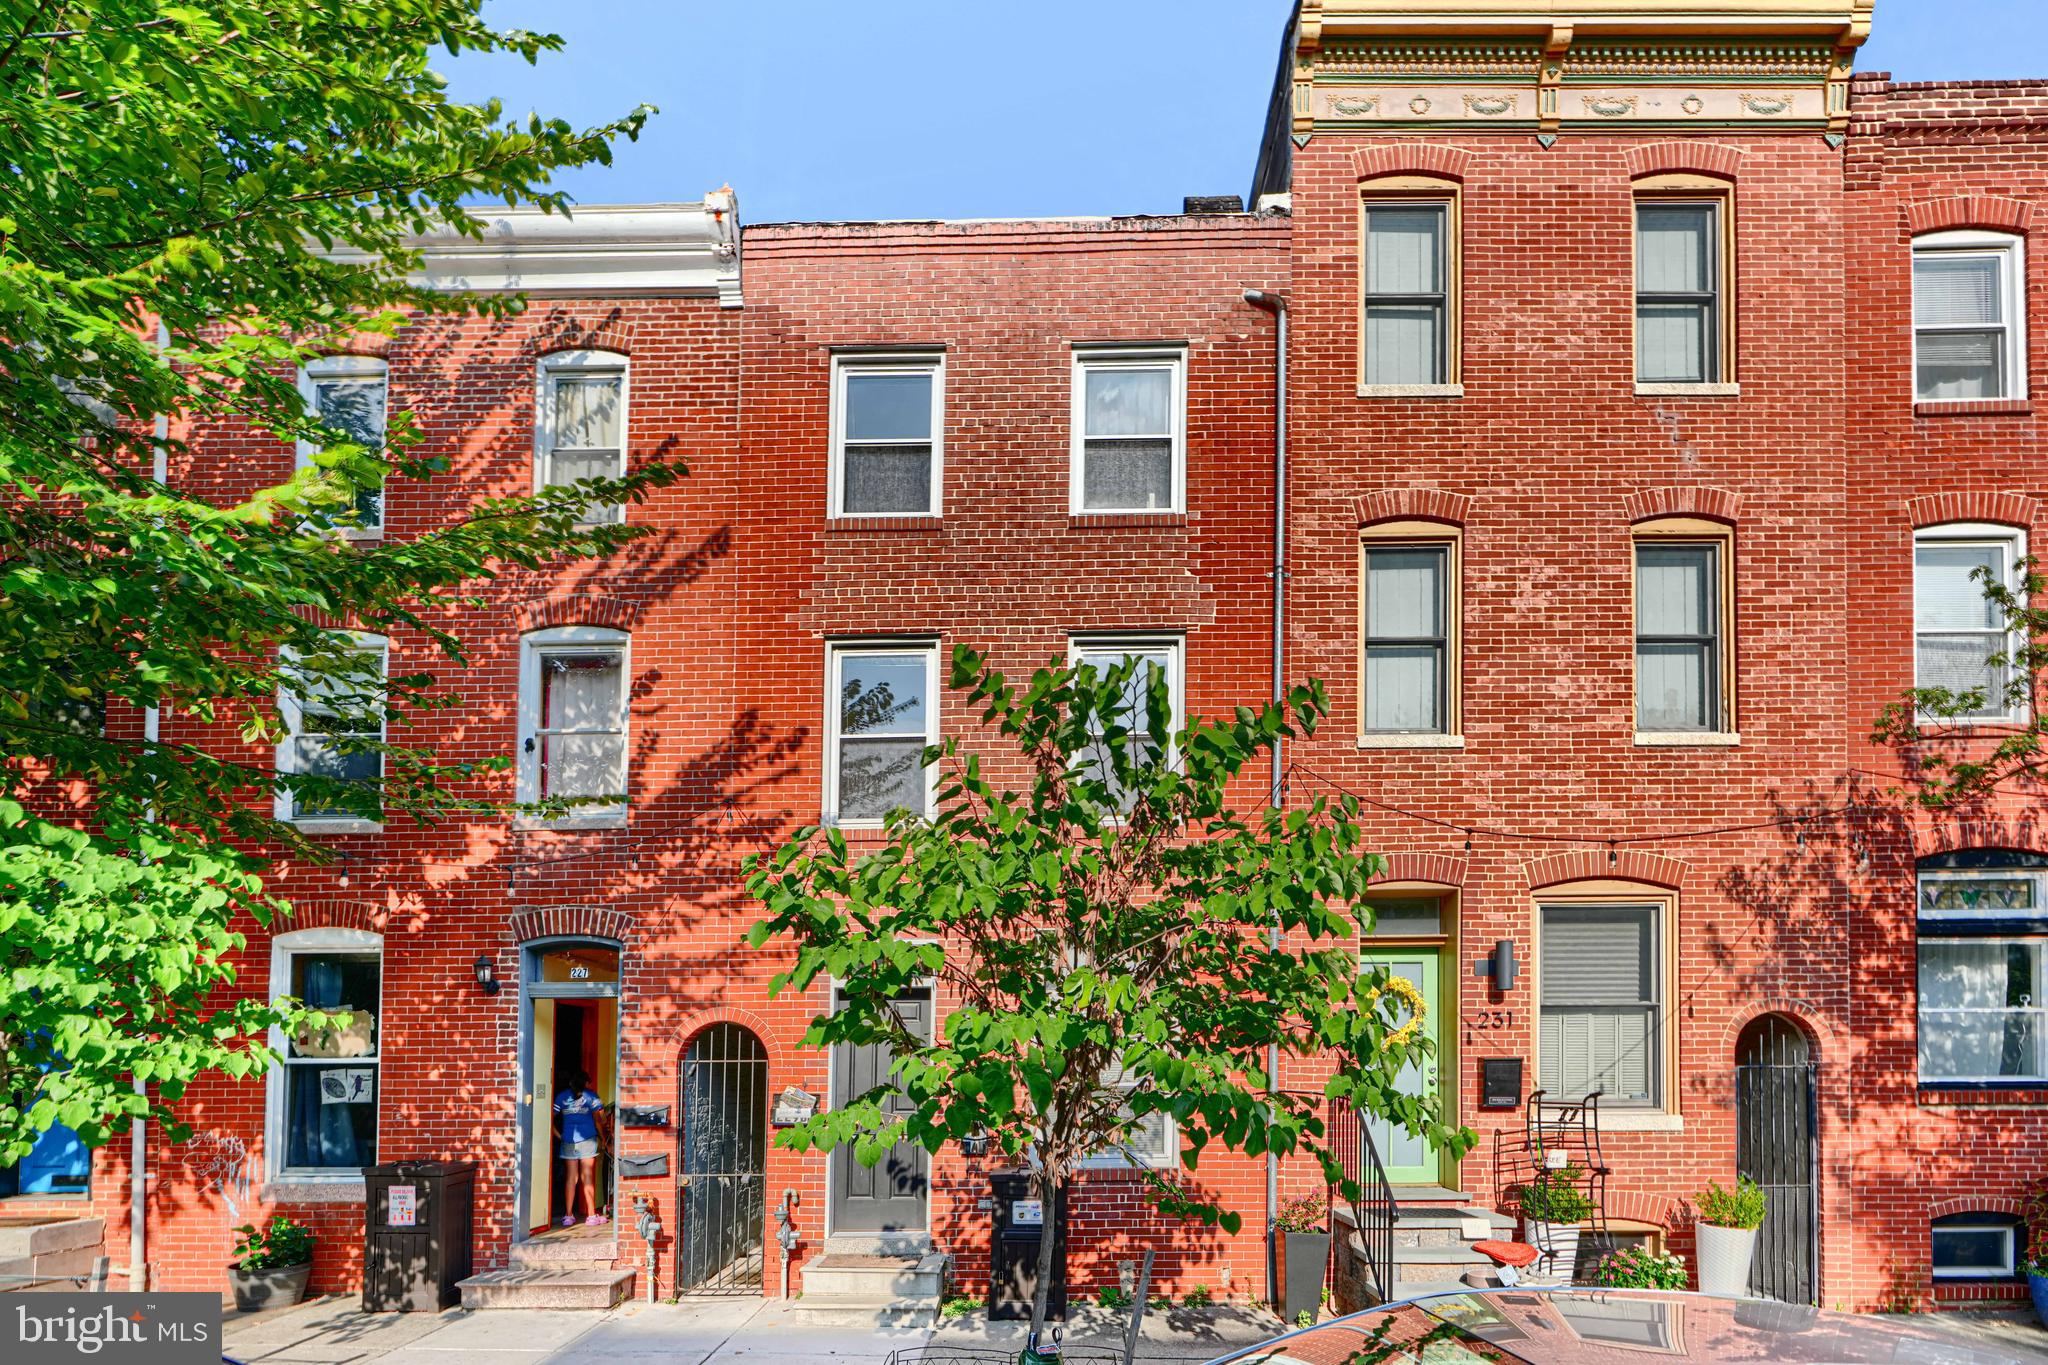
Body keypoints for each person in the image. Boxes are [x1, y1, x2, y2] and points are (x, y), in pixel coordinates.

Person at [551, 1067, 610, 1227]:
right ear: (586, 1083)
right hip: (588, 1139)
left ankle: (568, 1216)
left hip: (568, 1140)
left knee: (571, 1178)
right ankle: (591, 1216)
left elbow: (549, 1117)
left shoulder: (562, 1097)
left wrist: (559, 1136)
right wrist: (604, 1138)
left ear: (571, 1083)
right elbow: (601, 1120)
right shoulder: (591, 1096)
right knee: (587, 1177)